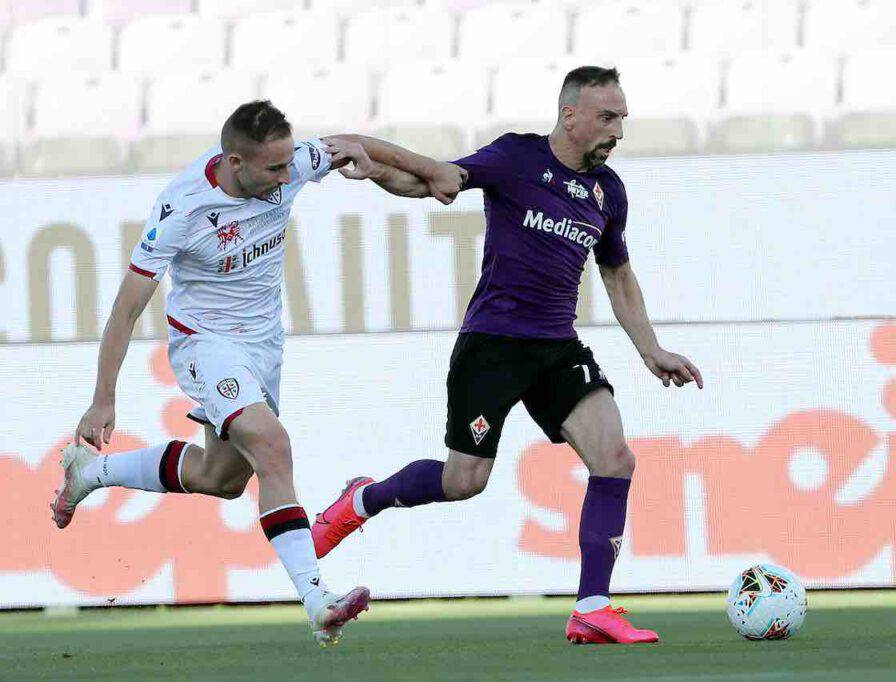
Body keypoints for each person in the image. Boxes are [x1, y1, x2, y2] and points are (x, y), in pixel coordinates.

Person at [311, 67, 704, 645]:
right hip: (492, 345)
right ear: (569, 115)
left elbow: (617, 272)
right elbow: (434, 181)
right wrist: (372, 163)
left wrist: (651, 349)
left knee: (615, 459)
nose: (618, 130)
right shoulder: (516, 157)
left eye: (622, 118)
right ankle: (362, 499)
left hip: (557, 347)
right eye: (607, 117)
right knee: (464, 480)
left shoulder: (608, 191)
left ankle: (592, 607)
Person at [49, 100, 464, 646]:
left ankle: (90, 475)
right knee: (272, 446)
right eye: (274, 168)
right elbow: (126, 308)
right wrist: (103, 399)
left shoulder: (289, 162)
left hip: (264, 346)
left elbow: (354, 143)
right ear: (235, 162)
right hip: (206, 344)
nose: (288, 175)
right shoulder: (182, 208)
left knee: (220, 479)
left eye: (291, 162)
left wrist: (431, 170)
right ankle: (318, 601)